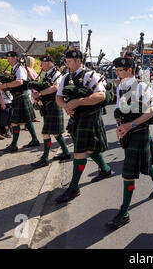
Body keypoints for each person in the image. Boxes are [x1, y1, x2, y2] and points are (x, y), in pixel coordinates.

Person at [105, 56, 153, 230]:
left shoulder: (141, 86)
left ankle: (124, 213)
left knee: (128, 172)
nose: (118, 74)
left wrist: (130, 125)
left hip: (139, 131)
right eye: (116, 71)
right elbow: (120, 111)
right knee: (144, 165)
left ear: (130, 70)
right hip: (128, 132)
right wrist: (120, 128)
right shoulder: (120, 87)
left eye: (121, 71)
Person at [55, 49, 111, 203]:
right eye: (66, 61)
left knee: (79, 151)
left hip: (90, 117)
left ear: (78, 61)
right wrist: (66, 106)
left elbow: (101, 95)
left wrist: (78, 102)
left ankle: (73, 188)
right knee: (90, 148)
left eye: (69, 62)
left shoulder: (91, 75)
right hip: (76, 118)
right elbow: (58, 97)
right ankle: (105, 170)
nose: (66, 64)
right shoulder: (66, 77)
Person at [30, 55, 71, 169]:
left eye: (42, 63)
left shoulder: (56, 74)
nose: (41, 65)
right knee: (56, 132)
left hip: (54, 104)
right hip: (48, 105)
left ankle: (45, 158)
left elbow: (56, 87)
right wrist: (36, 95)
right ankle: (66, 152)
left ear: (48, 63)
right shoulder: (46, 74)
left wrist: (40, 94)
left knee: (45, 132)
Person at [0, 52, 40, 153]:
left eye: (9, 58)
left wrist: (5, 85)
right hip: (19, 96)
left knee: (14, 122)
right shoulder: (15, 68)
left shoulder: (19, 68)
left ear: (15, 58)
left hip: (21, 96)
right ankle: (34, 140)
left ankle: (14, 145)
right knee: (27, 120)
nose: (7, 60)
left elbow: (20, 81)